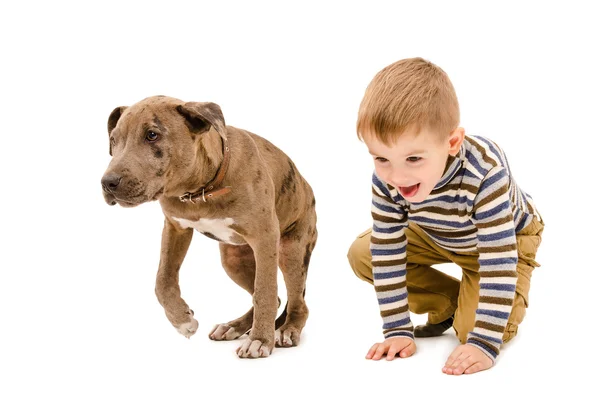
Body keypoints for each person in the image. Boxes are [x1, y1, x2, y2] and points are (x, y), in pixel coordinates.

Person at [346, 57, 544, 375]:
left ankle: (473, 303)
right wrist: (397, 329)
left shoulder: (485, 171)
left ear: (452, 143)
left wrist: (483, 343)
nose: (397, 176)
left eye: (413, 158)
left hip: (502, 243)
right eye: (381, 157)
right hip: (438, 231)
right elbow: (386, 251)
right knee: (362, 253)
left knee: (473, 334)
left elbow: (497, 261)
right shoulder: (387, 180)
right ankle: (448, 301)